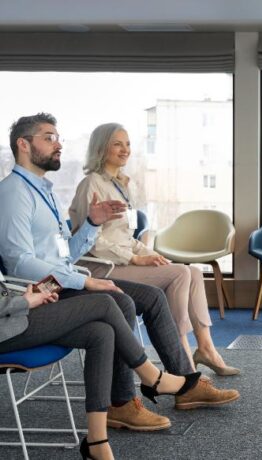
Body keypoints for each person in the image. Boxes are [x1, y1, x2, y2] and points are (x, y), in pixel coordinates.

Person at [0, 113, 239, 433]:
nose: (58, 145)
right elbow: (18, 262)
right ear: (23, 145)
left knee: (151, 296)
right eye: (49, 138)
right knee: (119, 300)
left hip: (59, 282)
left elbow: (63, 255)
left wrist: (92, 224)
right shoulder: (14, 193)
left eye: (58, 138)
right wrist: (82, 280)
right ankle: (124, 400)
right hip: (39, 293)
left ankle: (181, 385)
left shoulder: (46, 192)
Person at [69, 123, 238, 376]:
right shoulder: (91, 184)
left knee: (192, 272)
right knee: (181, 274)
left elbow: (127, 235)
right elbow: (92, 241)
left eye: (127, 144)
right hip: (100, 267)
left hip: (122, 261)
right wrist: (135, 258)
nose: (125, 150)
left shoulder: (121, 186)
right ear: (102, 148)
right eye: (117, 144)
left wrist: (147, 254)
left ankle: (205, 348)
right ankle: (181, 356)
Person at [0, 281, 207, 460]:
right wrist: (24, 302)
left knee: (101, 333)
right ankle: (152, 377)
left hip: (13, 312)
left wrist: (23, 297)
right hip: (7, 325)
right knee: (106, 303)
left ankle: (96, 442)